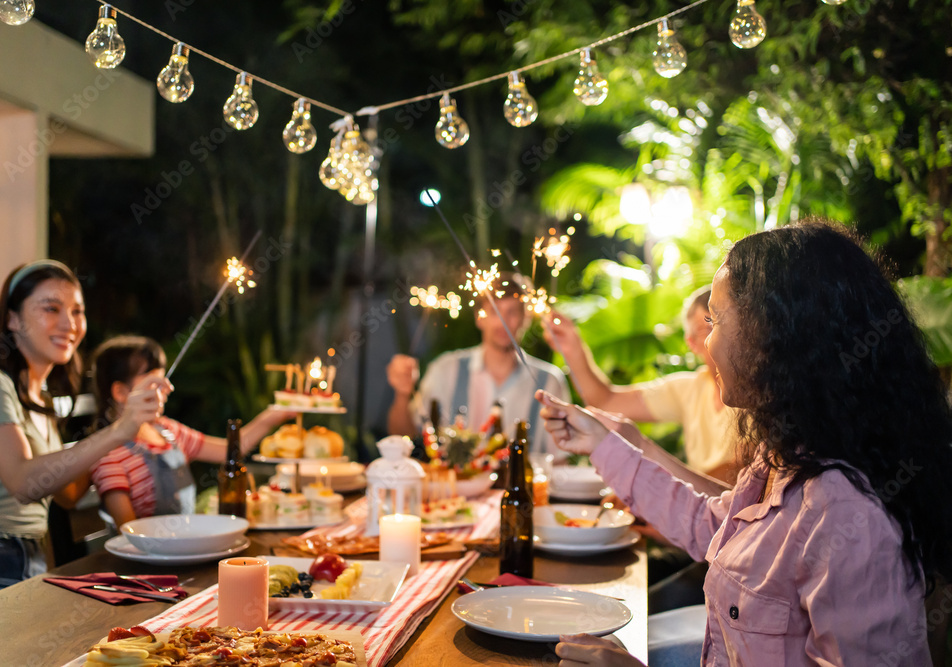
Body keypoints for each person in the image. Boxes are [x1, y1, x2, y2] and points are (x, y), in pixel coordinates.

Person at [541, 220, 952, 666]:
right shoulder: (784, 458)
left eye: (714, 320)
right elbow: (711, 524)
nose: (703, 343)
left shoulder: (845, 509)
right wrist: (606, 444)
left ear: (774, 338)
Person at [0, 260, 170, 605]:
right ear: (12, 319)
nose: (70, 324)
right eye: (51, 309)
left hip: (31, 561)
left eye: (77, 311)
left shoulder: (41, 403)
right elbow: (25, 484)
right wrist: (117, 430)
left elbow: (67, 493)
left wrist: (129, 435)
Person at [89, 335, 292, 528]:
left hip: (188, 545)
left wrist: (274, 415)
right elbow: (128, 532)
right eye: (154, 383)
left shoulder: (168, 431)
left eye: (164, 380)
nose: (166, 389)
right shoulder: (108, 454)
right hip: (149, 558)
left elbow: (229, 451)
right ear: (121, 392)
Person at [543, 286, 739, 484]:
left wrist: (653, 492)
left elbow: (739, 478)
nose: (718, 338)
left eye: (724, 325)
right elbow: (607, 401)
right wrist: (573, 348)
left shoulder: (758, 393)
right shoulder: (690, 388)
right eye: (707, 329)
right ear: (692, 343)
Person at [387, 273, 570, 455]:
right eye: (494, 311)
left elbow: (561, 460)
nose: (503, 322)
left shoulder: (549, 382)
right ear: (479, 317)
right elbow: (403, 435)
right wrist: (402, 394)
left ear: (526, 318)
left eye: (512, 312)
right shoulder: (445, 370)